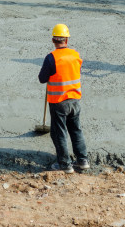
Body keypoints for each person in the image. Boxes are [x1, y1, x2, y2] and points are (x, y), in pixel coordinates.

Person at [38, 24, 90, 174]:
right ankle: (82, 160)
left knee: (58, 133)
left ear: (53, 40)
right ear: (66, 39)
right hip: (75, 100)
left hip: (59, 102)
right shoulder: (75, 55)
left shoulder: (51, 58)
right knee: (76, 130)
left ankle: (65, 164)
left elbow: (42, 79)